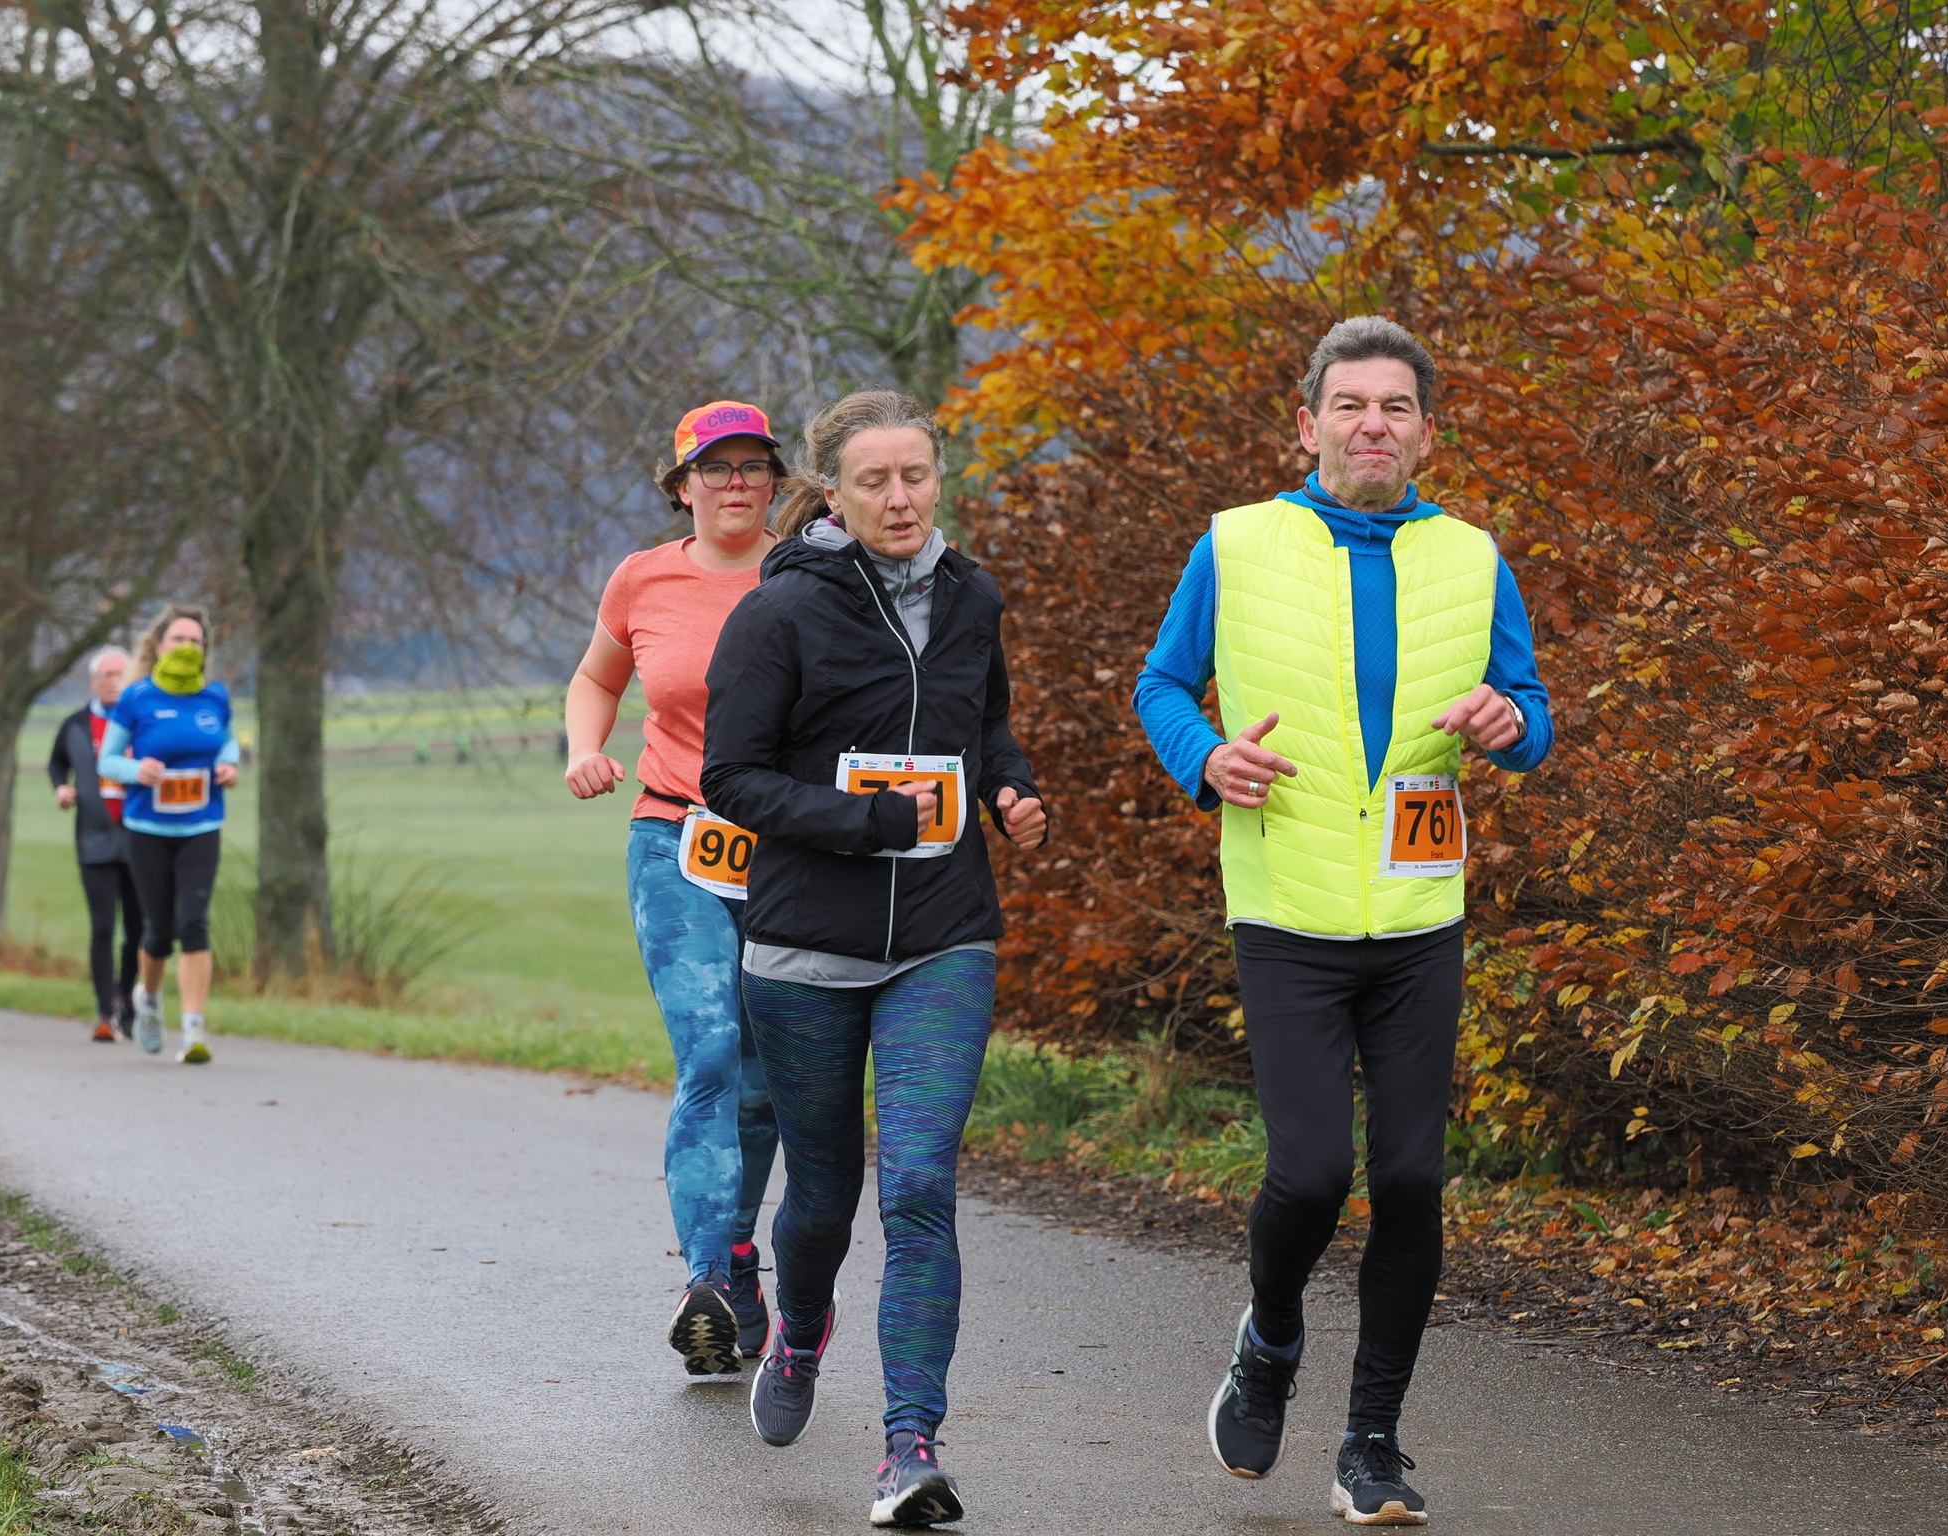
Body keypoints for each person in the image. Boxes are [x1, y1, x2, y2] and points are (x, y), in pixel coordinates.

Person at [1132, 317, 1554, 1526]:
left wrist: (1507, 725)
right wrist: (1204, 756)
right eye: (1350, 404)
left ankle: (1370, 1442)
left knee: (1410, 1181)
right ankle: (1268, 1339)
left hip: (1418, 913)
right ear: (1307, 423)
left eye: (1395, 407)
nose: (1373, 424)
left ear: (1425, 432)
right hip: (1288, 907)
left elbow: (1528, 712)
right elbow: (1161, 683)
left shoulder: (1471, 556)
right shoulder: (1234, 543)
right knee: (1312, 1173)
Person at [702, 389, 1047, 1529]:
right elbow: (730, 778)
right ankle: (801, 1330)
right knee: (823, 1195)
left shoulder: (973, 595)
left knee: (918, 1188)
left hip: (943, 940)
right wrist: (865, 823)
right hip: (804, 947)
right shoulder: (780, 613)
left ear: (938, 476)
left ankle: (910, 1446)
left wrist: (1010, 790)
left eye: (916, 476)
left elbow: (984, 726)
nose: (900, 499)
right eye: (874, 482)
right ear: (833, 495)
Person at [563, 401, 787, 1376]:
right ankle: (706, 1279)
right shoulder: (642, 578)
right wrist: (584, 748)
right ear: (682, 484)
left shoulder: (811, 571)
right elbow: (595, 678)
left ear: (774, 481)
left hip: (789, 849)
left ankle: (735, 1257)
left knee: (767, 1076)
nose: (735, 483)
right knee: (710, 1048)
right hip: (674, 838)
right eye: (716, 468)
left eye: (753, 466)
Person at [97, 605, 240, 1065]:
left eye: (195, 641)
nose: (187, 647)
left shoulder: (214, 697)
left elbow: (227, 741)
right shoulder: (136, 698)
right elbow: (107, 760)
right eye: (178, 639)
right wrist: (137, 770)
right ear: (159, 646)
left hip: (202, 825)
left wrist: (229, 764)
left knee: (194, 924)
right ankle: (151, 1001)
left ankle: (194, 1030)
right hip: (149, 829)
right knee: (158, 932)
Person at [48, 646, 144, 1042]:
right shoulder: (75, 725)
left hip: (140, 839)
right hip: (95, 840)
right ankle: (105, 1010)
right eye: (108, 675)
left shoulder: (143, 722)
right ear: (94, 681)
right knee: (103, 926)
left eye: (122, 674)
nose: (115, 682)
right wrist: (61, 788)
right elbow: (57, 762)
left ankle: (127, 999)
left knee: (139, 929)